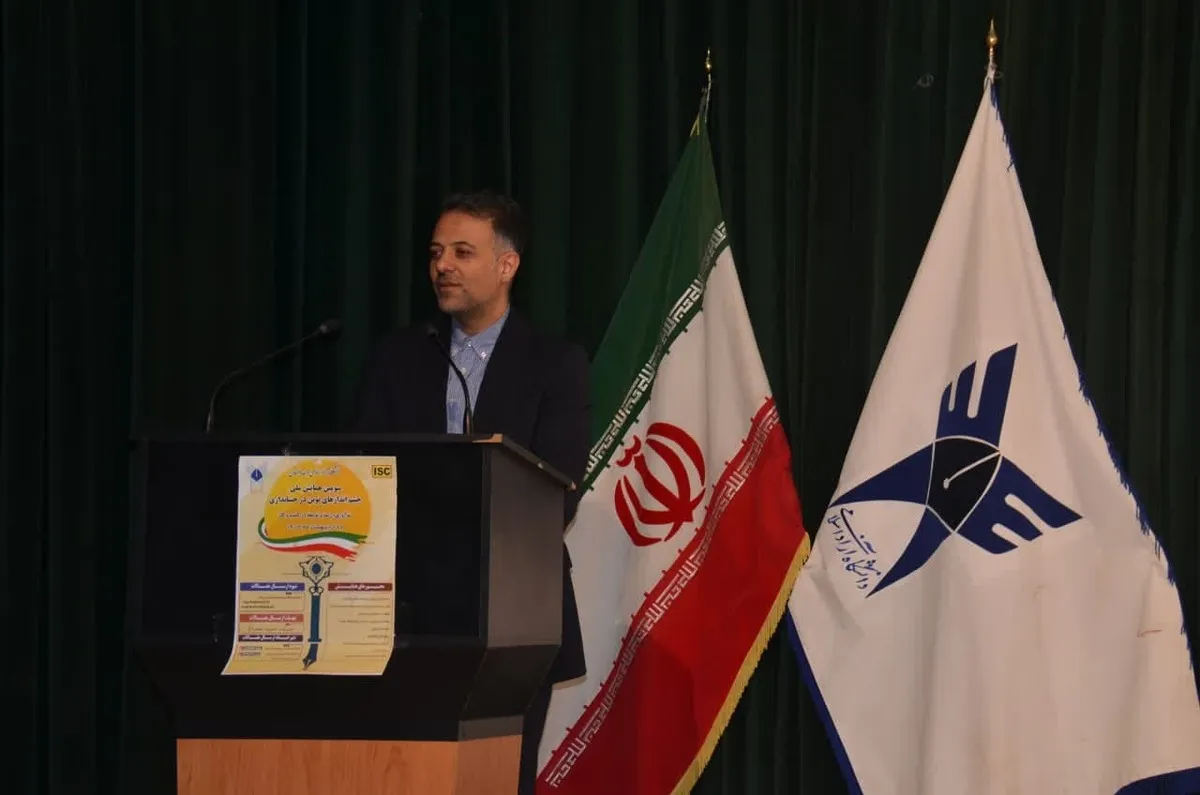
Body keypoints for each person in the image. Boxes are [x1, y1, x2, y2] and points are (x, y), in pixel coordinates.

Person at [351, 191, 589, 794]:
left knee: (499, 779)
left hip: (513, 610)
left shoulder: (555, 363)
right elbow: (365, 474)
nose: (443, 266)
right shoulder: (399, 357)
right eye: (436, 253)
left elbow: (557, 491)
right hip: (406, 612)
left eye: (462, 252)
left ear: (507, 265)